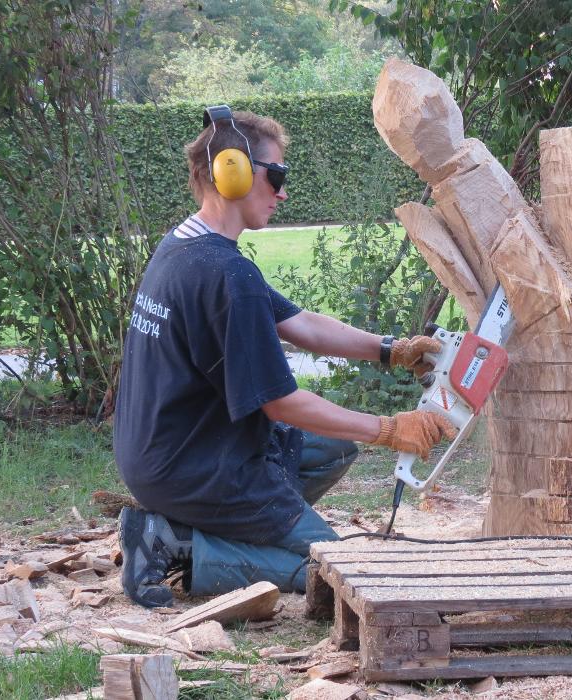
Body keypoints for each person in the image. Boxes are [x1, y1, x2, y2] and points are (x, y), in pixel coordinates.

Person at [112, 105, 454, 608]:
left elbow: (300, 324)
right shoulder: (225, 275)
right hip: (200, 468)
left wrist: (391, 350)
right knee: (338, 574)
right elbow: (282, 404)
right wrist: (388, 428)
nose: (283, 192)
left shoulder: (186, 247)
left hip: (167, 452)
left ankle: (220, 526)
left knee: (335, 445)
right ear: (235, 173)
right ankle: (179, 545)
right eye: (276, 177)